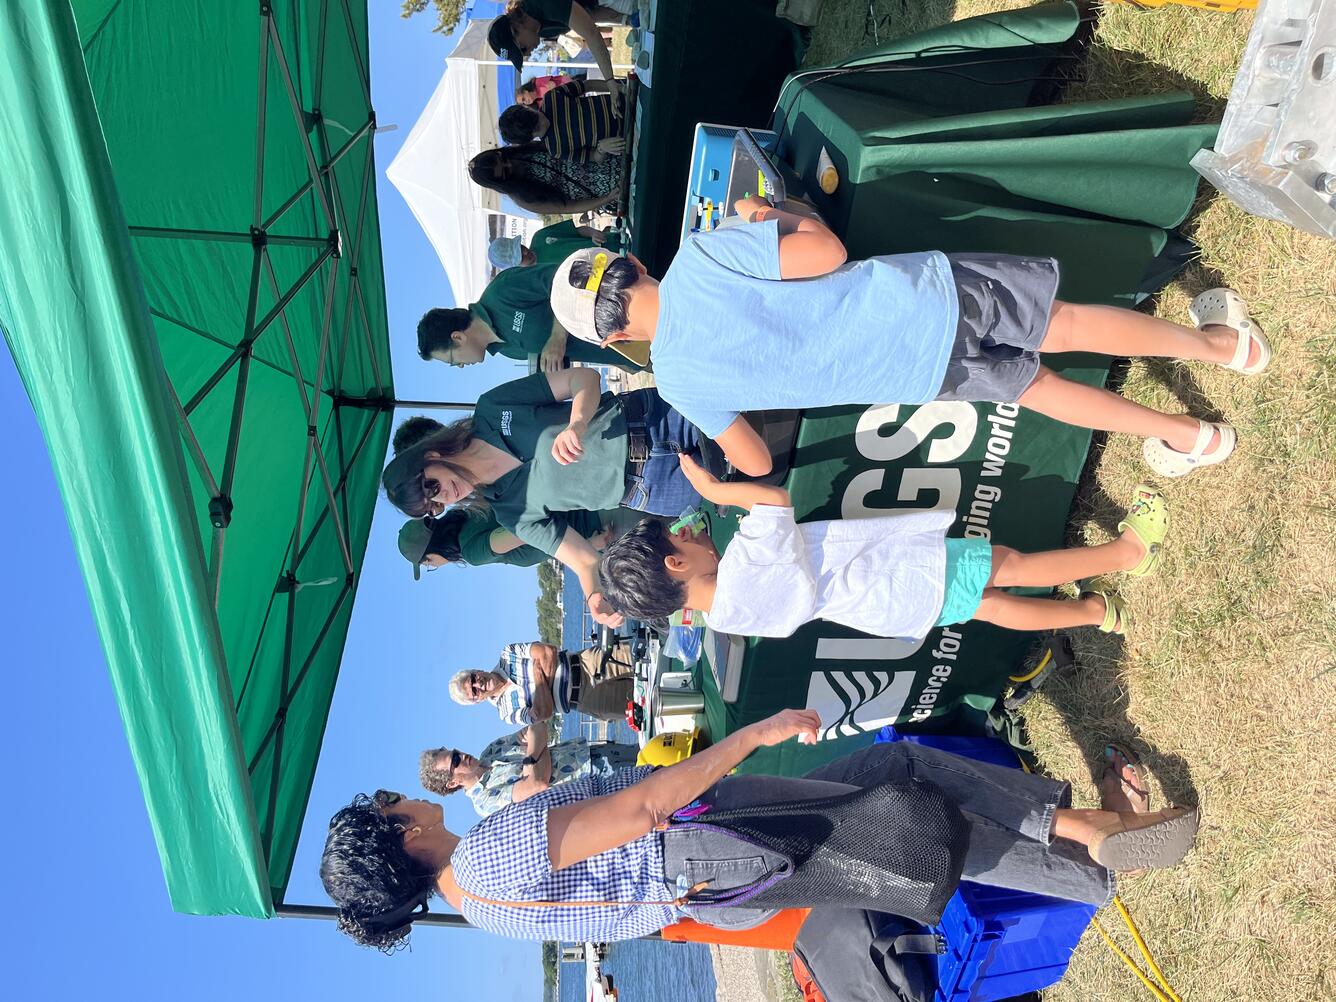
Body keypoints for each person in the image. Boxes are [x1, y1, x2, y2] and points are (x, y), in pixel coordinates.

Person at [319, 708, 1199, 949]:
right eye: (389, 807)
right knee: (904, 780)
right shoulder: (485, 851)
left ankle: (1092, 860)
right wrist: (747, 737)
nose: (401, 797)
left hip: (718, 883)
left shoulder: (480, 908)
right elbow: (639, 812)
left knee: (908, 829)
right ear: (396, 835)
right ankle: (1089, 828)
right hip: (712, 833)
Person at [547, 201, 1270, 479]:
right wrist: (779, 211)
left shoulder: (676, 384)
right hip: (923, 296)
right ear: (631, 263)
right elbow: (826, 253)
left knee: (1042, 392)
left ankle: (1191, 436)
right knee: (1066, 324)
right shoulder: (700, 256)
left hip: (914, 372)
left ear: (611, 340)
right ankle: (1224, 348)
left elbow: (757, 458)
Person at [598, 457, 1172, 637]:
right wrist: (717, 489)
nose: (696, 530)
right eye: (684, 535)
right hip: (897, 571)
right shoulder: (745, 563)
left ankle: (1098, 612)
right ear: (676, 562)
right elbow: (773, 500)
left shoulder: (724, 616)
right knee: (1008, 567)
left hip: (885, 607)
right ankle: (1125, 554)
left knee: (989, 606)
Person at [380, 371, 713, 625]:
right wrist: (594, 595)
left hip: (652, 418)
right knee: (753, 484)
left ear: (430, 457)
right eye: (435, 508)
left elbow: (584, 378)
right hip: (653, 489)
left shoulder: (492, 409)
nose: (445, 499)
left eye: (432, 488)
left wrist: (578, 424)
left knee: (760, 420)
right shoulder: (511, 515)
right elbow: (582, 558)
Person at [419, 725, 640, 816]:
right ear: (452, 783)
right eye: (455, 760)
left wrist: (532, 758)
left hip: (594, 751)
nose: (463, 755)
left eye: (457, 751)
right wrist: (535, 757)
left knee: (658, 750)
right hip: (593, 782)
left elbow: (538, 727)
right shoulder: (485, 801)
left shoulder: (492, 750)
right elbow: (538, 785)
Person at [448, 639, 636, 725]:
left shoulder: (508, 654)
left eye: (473, 678)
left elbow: (548, 652)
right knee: (650, 705)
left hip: (589, 662)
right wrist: (538, 675)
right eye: (474, 691)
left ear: (476, 671)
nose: (478, 684)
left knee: (651, 652)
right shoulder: (507, 713)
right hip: (589, 700)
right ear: (477, 700)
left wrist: (542, 695)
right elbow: (543, 713)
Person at [487, 0, 629, 100]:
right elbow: (588, 13)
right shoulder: (542, 30)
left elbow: (590, 33)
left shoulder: (540, 4)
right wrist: (625, 19)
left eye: (523, 49)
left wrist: (610, 81)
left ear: (517, 27)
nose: (529, 54)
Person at [469, 143, 620, 216]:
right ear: (501, 183)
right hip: (615, 193)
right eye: (505, 171)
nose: (510, 163)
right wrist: (607, 198)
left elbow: (564, 144)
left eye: (502, 158)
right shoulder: (523, 199)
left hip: (613, 159)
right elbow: (569, 207)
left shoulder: (522, 150)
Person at [498, 79, 624, 165]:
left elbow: (587, 85)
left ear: (528, 108)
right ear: (530, 139)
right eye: (537, 128)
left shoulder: (551, 97)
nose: (544, 122)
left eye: (536, 116)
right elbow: (594, 158)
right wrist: (601, 149)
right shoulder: (555, 149)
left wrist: (619, 89)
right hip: (626, 137)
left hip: (624, 103)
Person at [488, 219, 607, 272]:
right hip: (609, 269)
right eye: (520, 256)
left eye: (520, 247)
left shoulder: (540, 236)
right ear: (515, 266)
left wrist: (593, 232)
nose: (525, 252)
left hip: (609, 242)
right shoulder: (539, 277)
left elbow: (577, 231)